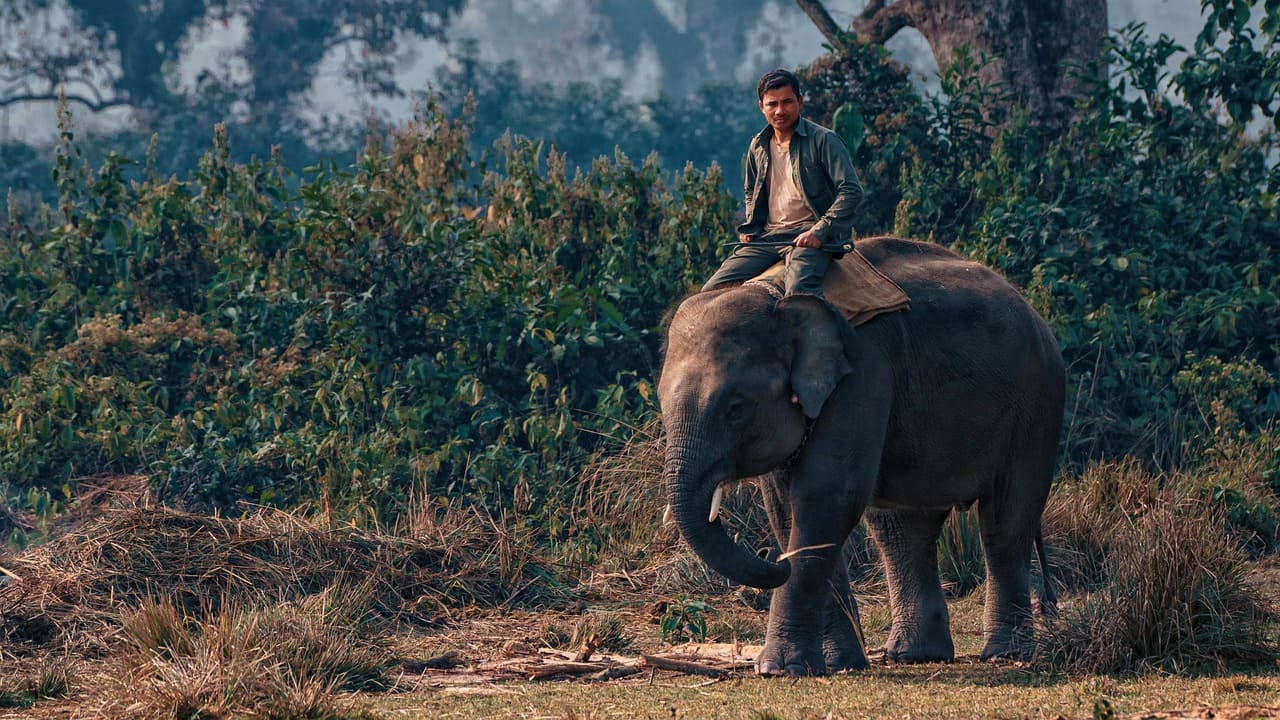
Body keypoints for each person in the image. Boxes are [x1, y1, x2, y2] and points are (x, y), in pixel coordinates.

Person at [703, 68, 863, 298]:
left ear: (799, 101)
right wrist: (751, 225)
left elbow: (851, 191)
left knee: (800, 294)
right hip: (767, 238)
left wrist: (820, 230)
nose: (780, 110)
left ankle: (832, 332)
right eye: (772, 104)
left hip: (809, 234)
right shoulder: (757, 145)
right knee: (710, 294)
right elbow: (751, 191)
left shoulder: (823, 140)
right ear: (761, 106)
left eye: (787, 102)